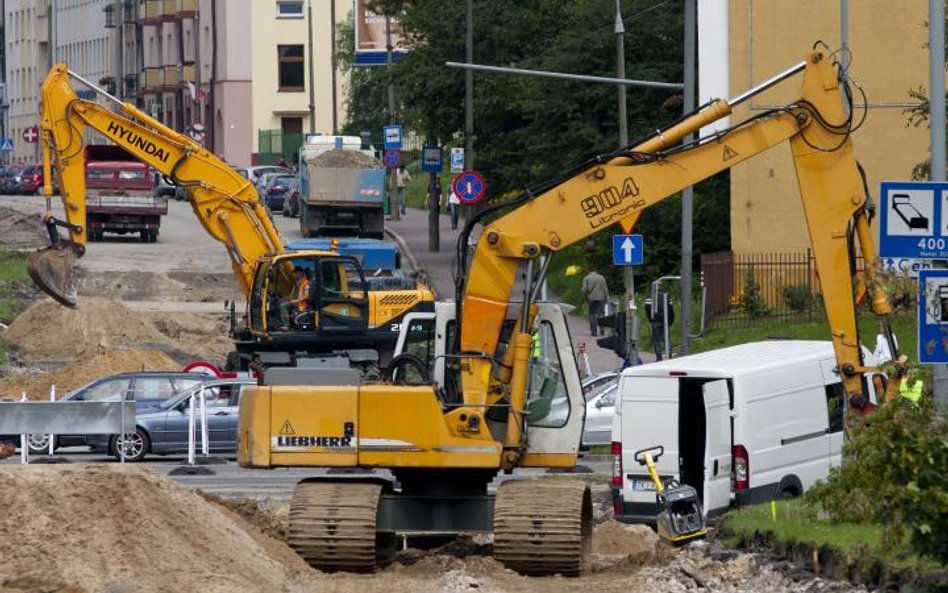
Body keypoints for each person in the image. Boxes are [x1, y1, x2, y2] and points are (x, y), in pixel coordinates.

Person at [581, 268, 609, 337]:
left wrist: (585, 297)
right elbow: (605, 288)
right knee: (601, 314)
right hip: (601, 298)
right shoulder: (601, 277)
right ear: (596, 271)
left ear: (588, 271)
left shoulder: (586, 278)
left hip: (591, 299)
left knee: (592, 315)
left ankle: (594, 331)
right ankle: (602, 328)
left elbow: (584, 290)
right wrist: (606, 297)